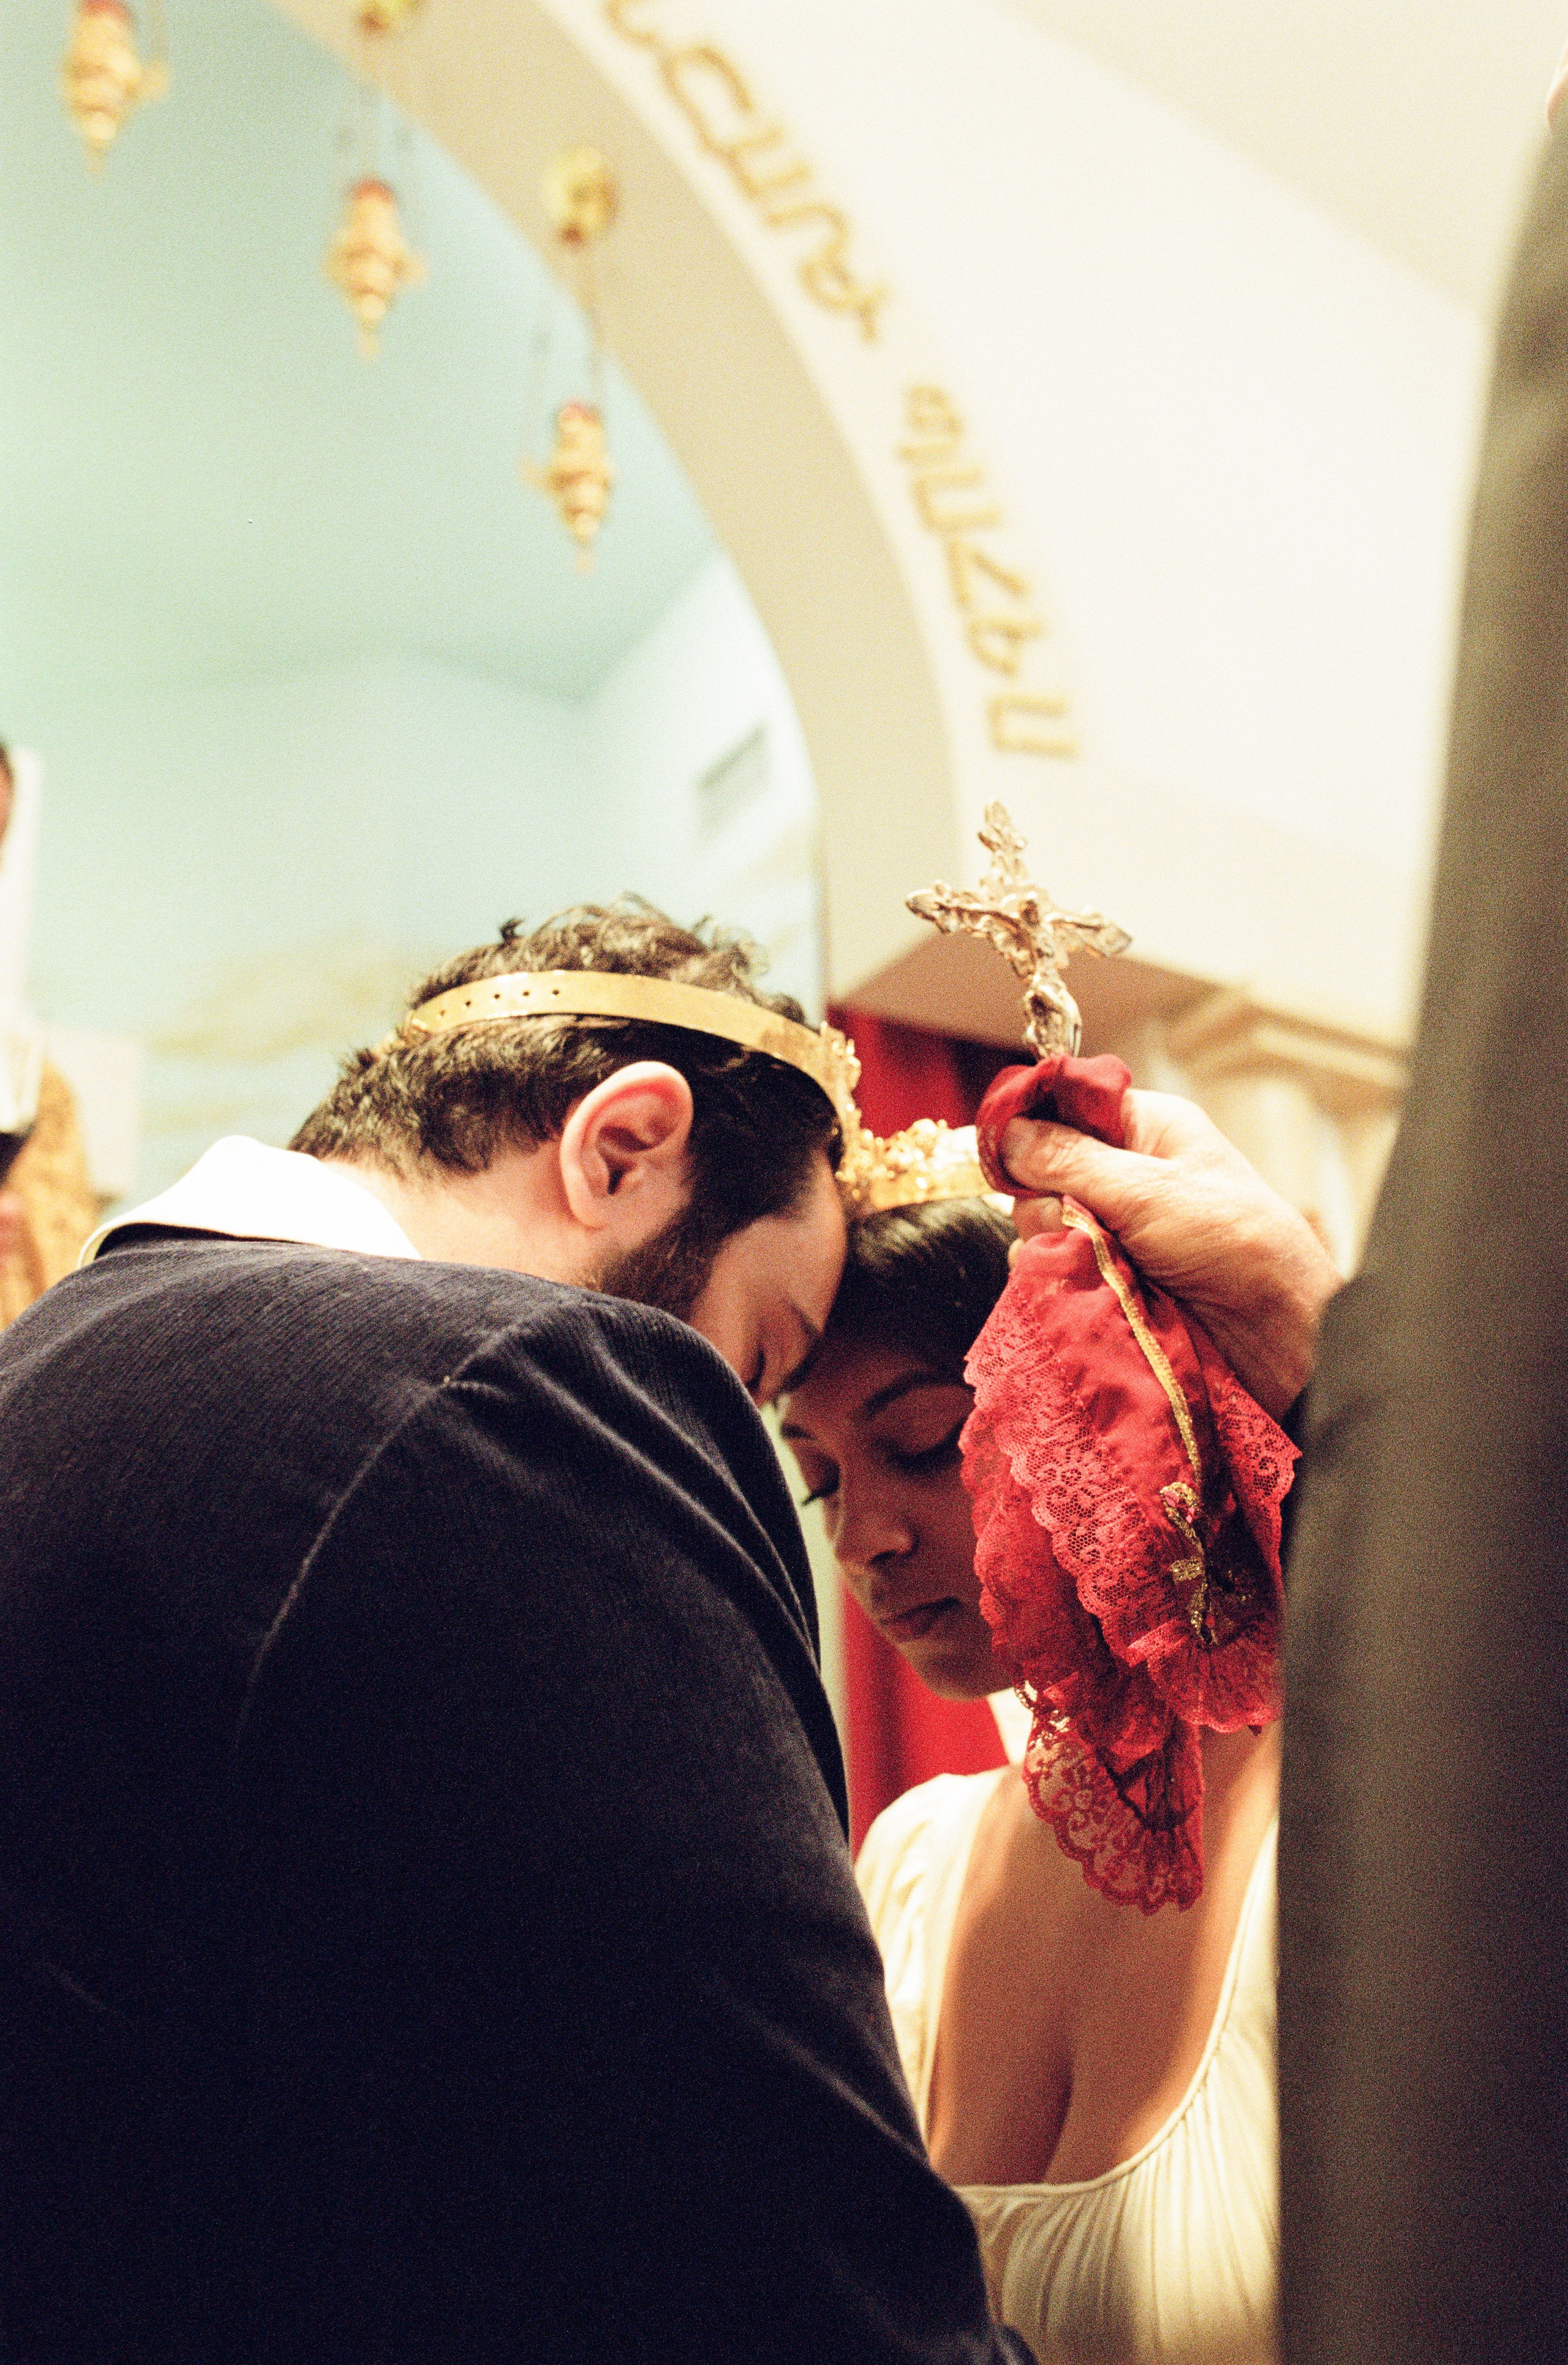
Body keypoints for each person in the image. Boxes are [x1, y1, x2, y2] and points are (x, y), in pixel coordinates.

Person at [0, 900, 1032, 2365]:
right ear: (621, 1146)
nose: (727, 1433)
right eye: (751, 1367)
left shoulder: (49, 1367)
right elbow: (784, 2268)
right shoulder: (514, 1395)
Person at [782, 1195, 1286, 2365]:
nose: (862, 1540)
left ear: (1108, 1419)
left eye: (919, 1447)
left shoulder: (1342, 1830)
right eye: (820, 1480)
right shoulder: (912, 1865)